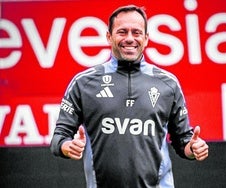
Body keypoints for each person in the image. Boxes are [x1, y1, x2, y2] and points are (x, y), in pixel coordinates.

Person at [50, 4, 209, 188]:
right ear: (108, 36)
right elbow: (58, 138)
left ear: (146, 38)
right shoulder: (83, 83)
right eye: (122, 32)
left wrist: (194, 149)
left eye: (136, 32)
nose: (130, 39)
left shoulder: (168, 83)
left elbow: (183, 141)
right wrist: (68, 147)